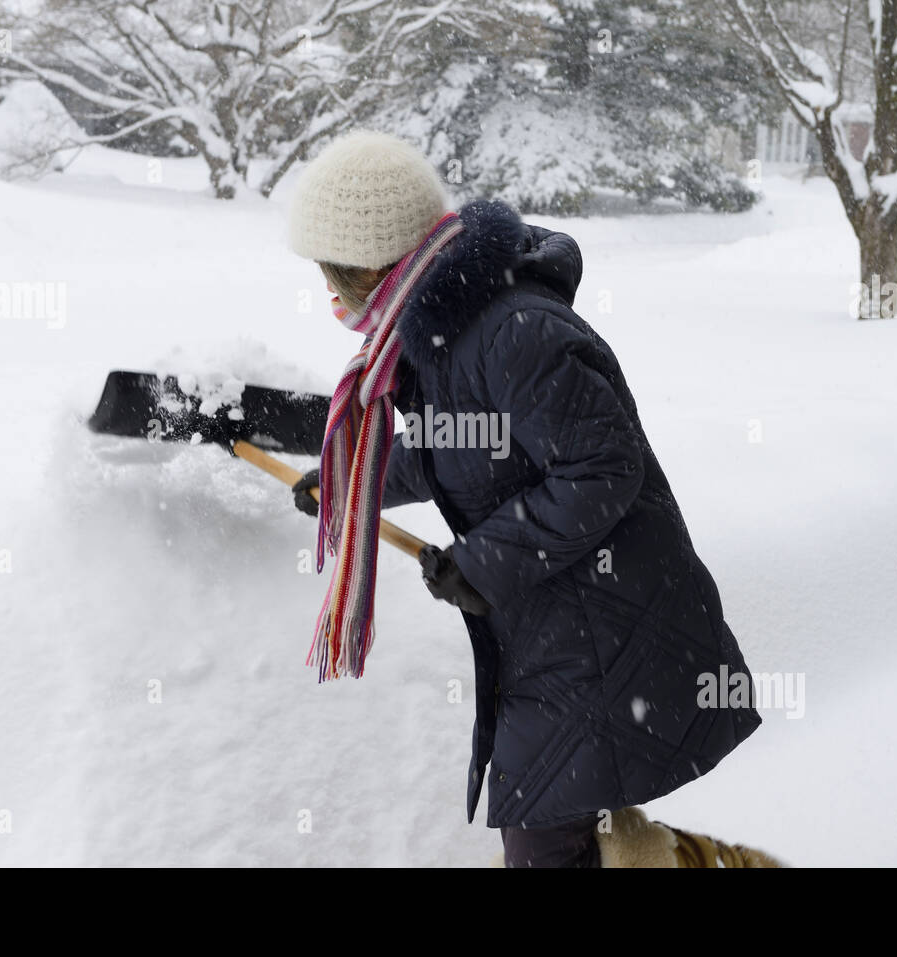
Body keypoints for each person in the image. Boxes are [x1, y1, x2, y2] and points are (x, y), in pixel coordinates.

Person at [286, 130, 761, 868]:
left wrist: (485, 563)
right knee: (563, 826)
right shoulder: (445, 328)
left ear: (370, 266)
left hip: (600, 627)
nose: (328, 295)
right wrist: (354, 482)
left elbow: (602, 469)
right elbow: (460, 446)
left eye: (331, 274)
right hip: (559, 627)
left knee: (545, 837)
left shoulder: (511, 331)